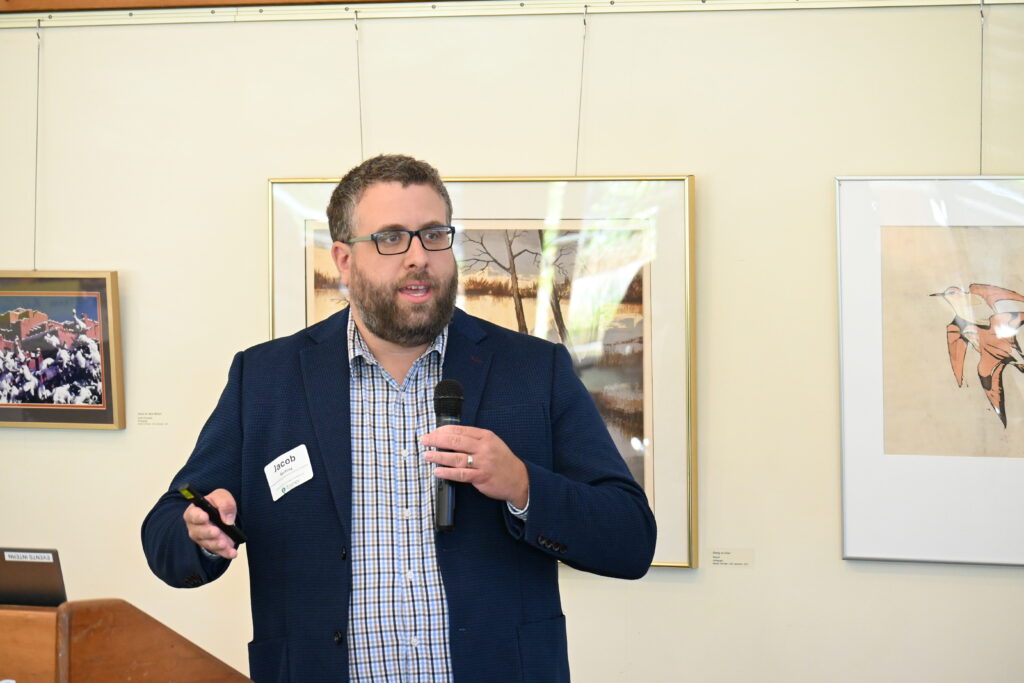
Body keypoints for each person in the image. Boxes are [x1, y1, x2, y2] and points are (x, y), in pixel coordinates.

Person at [141, 154, 656, 683]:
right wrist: (197, 529)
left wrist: (523, 485)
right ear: (343, 259)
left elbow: (631, 538)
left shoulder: (532, 370)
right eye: (391, 238)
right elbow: (166, 528)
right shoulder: (267, 379)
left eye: (434, 235)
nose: (418, 257)